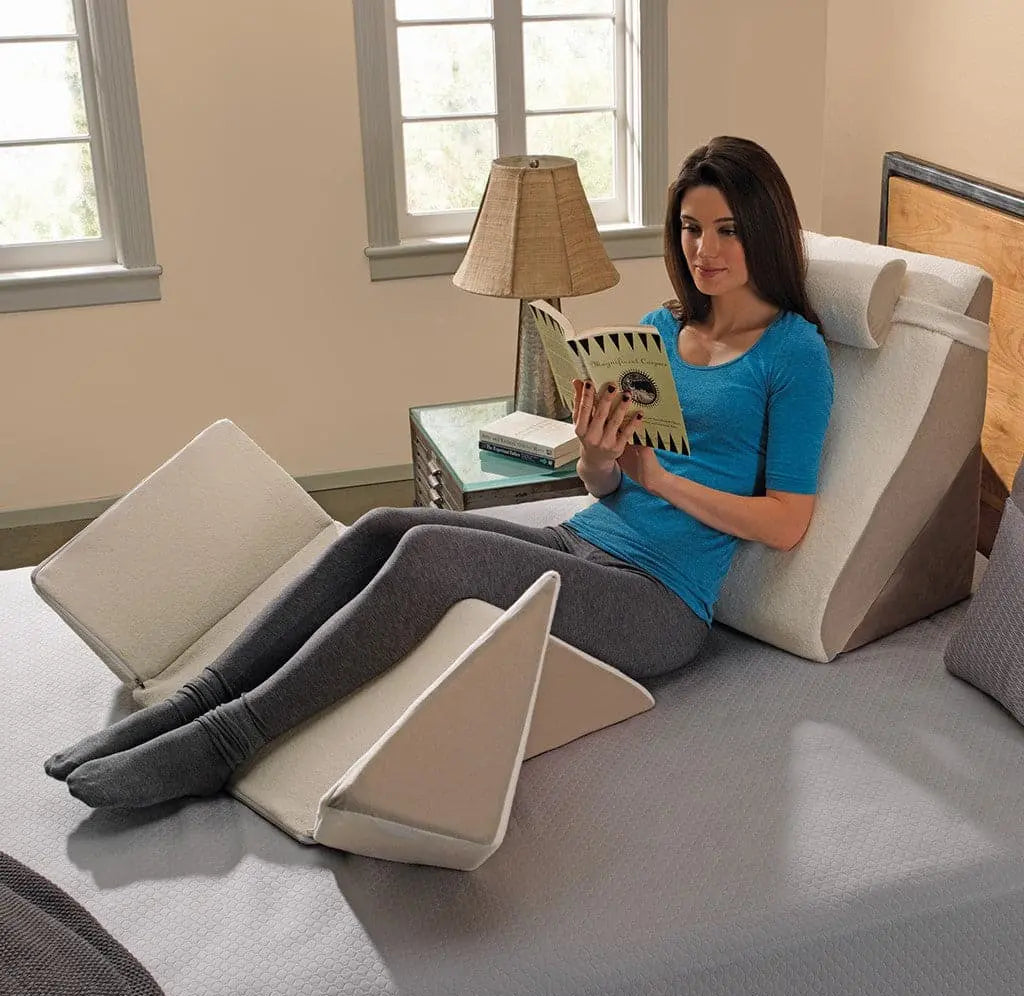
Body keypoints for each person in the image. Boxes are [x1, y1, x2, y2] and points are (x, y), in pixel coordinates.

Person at [45, 136, 833, 809]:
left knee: (429, 559)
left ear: (761, 231)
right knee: (383, 524)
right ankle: (197, 700)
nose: (705, 250)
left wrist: (660, 482)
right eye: (692, 228)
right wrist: (603, 456)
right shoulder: (663, 326)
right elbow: (606, 487)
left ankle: (226, 740)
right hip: (587, 536)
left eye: (727, 230)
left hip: (660, 601)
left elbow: (789, 521)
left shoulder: (793, 351)